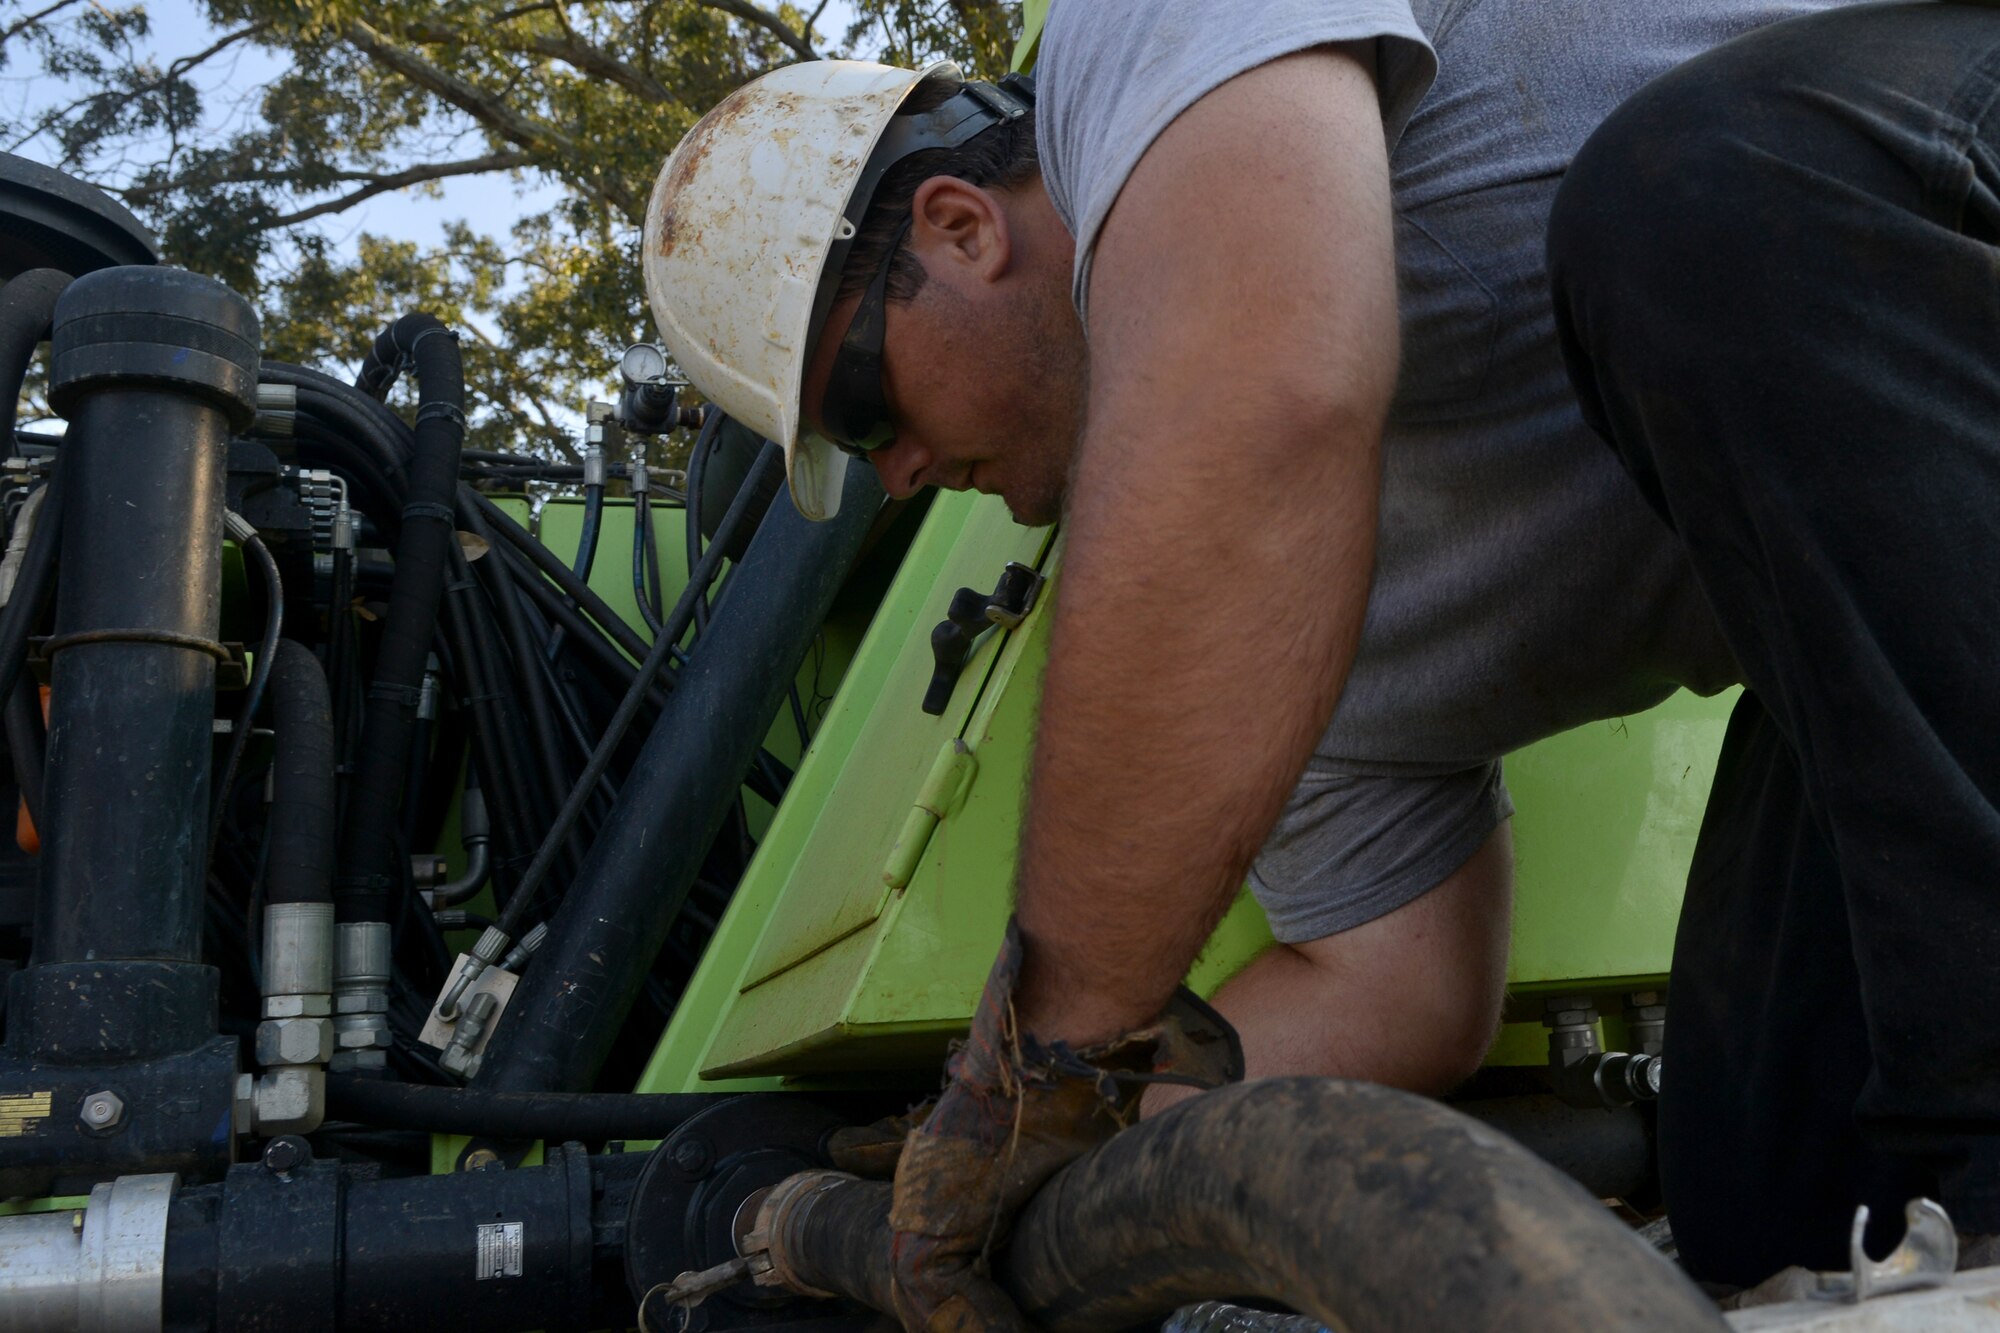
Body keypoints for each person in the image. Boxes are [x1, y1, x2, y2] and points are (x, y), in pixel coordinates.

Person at [643, 0, 2000, 1323]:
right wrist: (1077, 1143)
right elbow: (1394, 978)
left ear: (958, 225)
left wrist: (1043, 1061)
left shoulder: (1142, 36)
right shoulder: (1273, 636)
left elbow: (1267, 402)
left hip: (1960, 174)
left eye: (863, 405)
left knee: (1693, 191)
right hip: (1945, 619)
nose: (896, 474)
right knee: (1765, 1199)